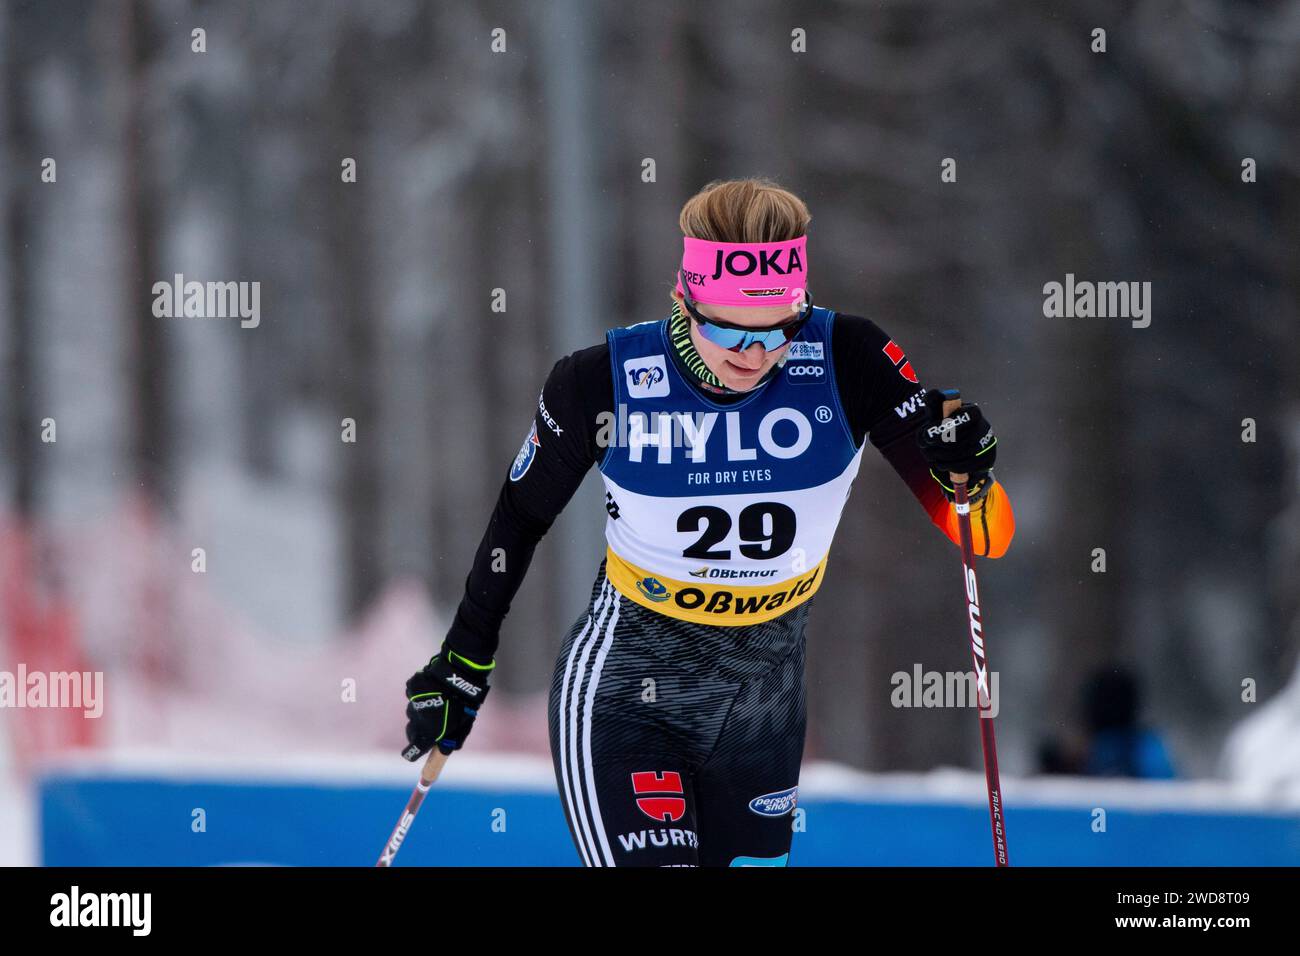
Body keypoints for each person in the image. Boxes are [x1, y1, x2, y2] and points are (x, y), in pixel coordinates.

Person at [401, 177, 1016, 866]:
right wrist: (462, 662)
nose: (753, 354)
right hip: (628, 696)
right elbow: (519, 519)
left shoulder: (849, 359)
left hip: (764, 714)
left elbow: (982, 535)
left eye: (779, 330)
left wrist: (971, 472)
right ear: (683, 298)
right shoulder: (601, 382)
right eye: (726, 328)